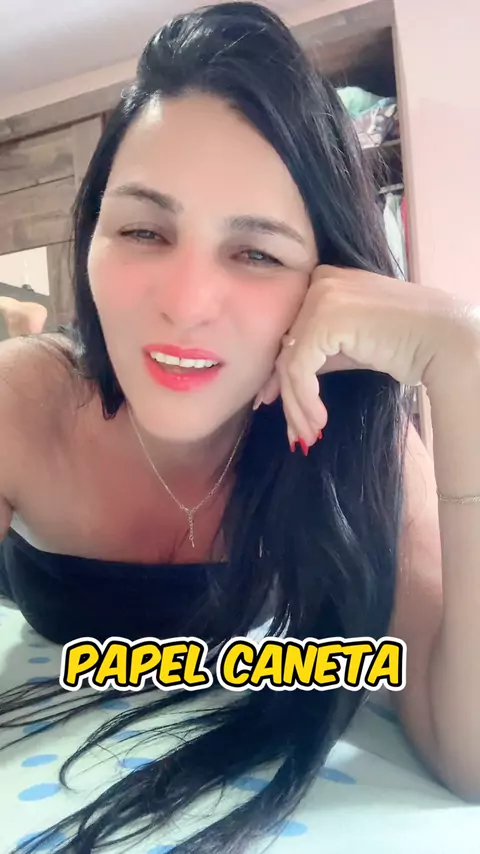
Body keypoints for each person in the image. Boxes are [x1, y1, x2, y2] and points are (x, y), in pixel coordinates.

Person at [0, 2, 479, 852]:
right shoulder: (26, 399)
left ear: (328, 278)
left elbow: (470, 752)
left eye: (257, 252)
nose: (185, 304)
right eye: (143, 230)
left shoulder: (354, 432)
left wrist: (464, 360)